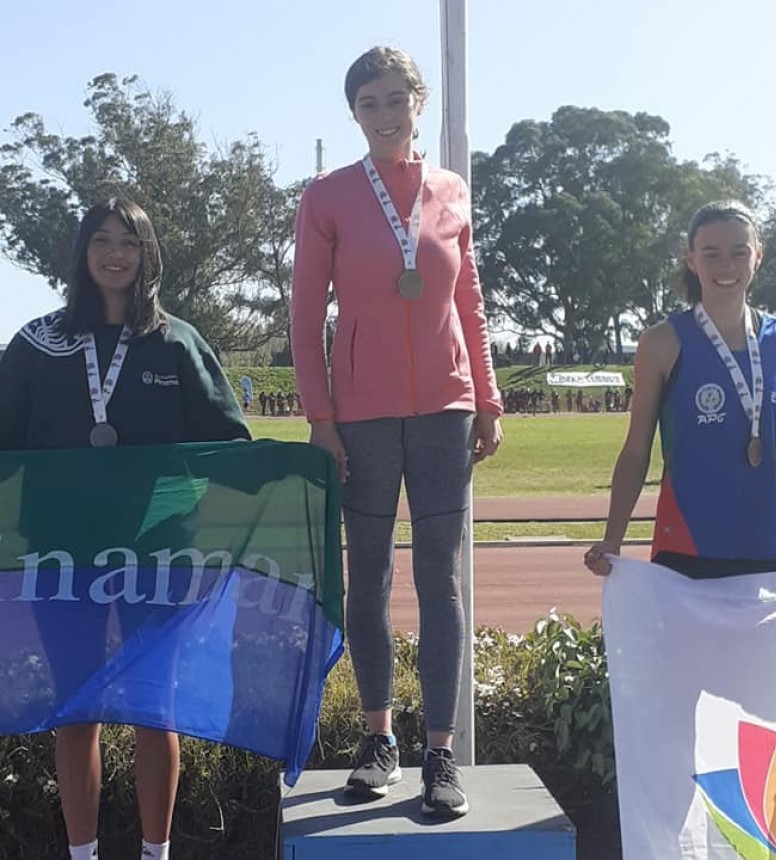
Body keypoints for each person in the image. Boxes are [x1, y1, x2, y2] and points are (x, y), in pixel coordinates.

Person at [0, 197, 251, 860]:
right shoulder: (35, 343)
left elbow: (230, 443)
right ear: (82, 254)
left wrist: (303, 470)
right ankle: (81, 855)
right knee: (75, 711)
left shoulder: (176, 341)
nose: (116, 254)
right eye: (102, 241)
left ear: (148, 255)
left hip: (158, 555)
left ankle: (155, 852)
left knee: (152, 711)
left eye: (130, 242)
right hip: (63, 557)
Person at [290, 46, 503, 818]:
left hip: (445, 413)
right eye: (368, 103)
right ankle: (379, 738)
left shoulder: (451, 191)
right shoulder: (329, 197)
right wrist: (321, 417)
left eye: (395, 99)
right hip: (362, 418)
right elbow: (305, 316)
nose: (384, 114)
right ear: (354, 113)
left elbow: (468, 305)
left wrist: (487, 399)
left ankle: (439, 753)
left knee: (440, 581)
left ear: (420, 102)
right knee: (369, 577)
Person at [585, 200, 776, 579]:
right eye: (711, 254)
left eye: (739, 252)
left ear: (758, 256)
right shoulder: (663, 343)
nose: (726, 267)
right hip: (686, 550)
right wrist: (612, 538)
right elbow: (635, 452)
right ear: (691, 258)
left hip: (765, 548)